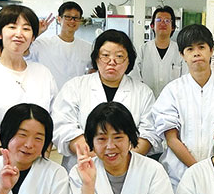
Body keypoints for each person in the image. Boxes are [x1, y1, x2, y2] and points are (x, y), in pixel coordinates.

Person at [53, 29, 158, 171]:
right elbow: (63, 127)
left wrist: (120, 161)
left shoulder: (143, 92)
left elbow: (149, 134)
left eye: (119, 56)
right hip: (82, 168)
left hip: (129, 170)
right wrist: (101, 156)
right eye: (105, 55)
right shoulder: (75, 87)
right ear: (96, 58)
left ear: (129, 61)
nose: (112, 62)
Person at [152, 24, 214, 188]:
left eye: (201, 47)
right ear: (182, 55)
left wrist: (212, 171)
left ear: (211, 50)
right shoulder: (172, 91)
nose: (196, 53)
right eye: (190, 49)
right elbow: (171, 139)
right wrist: (198, 170)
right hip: (178, 178)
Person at [0, 4, 57, 155]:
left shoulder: (43, 73)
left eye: (26, 29)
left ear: (33, 37)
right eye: (12, 27)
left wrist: (40, 158)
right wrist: (15, 158)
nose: (19, 34)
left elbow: (53, 120)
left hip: (37, 160)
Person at [26, 1, 92, 90]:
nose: (72, 21)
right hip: (50, 94)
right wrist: (37, 32)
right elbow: (23, 52)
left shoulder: (87, 47)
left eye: (76, 18)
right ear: (59, 19)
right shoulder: (43, 44)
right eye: (68, 17)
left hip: (76, 95)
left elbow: (95, 68)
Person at [132, 5, 188, 97]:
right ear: (152, 26)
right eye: (158, 20)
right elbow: (135, 78)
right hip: (147, 100)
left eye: (167, 20)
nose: (163, 23)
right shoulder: (142, 50)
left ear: (173, 27)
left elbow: (185, 79)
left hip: (174, 101)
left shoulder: (180, 51)